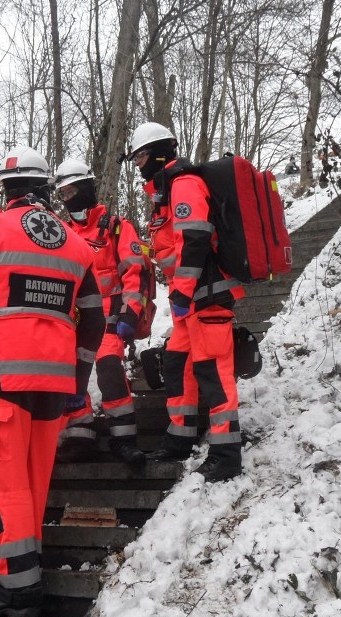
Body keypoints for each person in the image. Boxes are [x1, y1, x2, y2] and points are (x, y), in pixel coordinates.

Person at [0, 145, 105, 617]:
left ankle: (17, 591)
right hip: (52, 390)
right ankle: (22, 580)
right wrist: (79, 373)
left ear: (6, 188)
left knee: (1, 486)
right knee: (31, 484)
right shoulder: (76, 244)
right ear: (45, 189)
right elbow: (93, 318)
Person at [126, 122, 244, 483]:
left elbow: (194, 238)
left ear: (161, 153)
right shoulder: (164, 193)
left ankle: (227, 453)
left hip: (205, 295)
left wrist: (181, 292)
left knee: (212, 369)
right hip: (190, 300)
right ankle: (181, 436)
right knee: (177, 364)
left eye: (142, 156)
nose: (138, 164)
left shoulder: (185, 184)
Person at [51, 159, 148, 468]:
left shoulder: (117, 226)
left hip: (110, 318)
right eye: (62, 195)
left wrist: (131, 314)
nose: (68, 200)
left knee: (108, 368)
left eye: (71, 192)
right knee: (67, 376)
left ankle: (124, 439)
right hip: (74, 321)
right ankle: (81, 435)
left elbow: (136, 271)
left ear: (87, 189)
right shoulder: (62, 232)